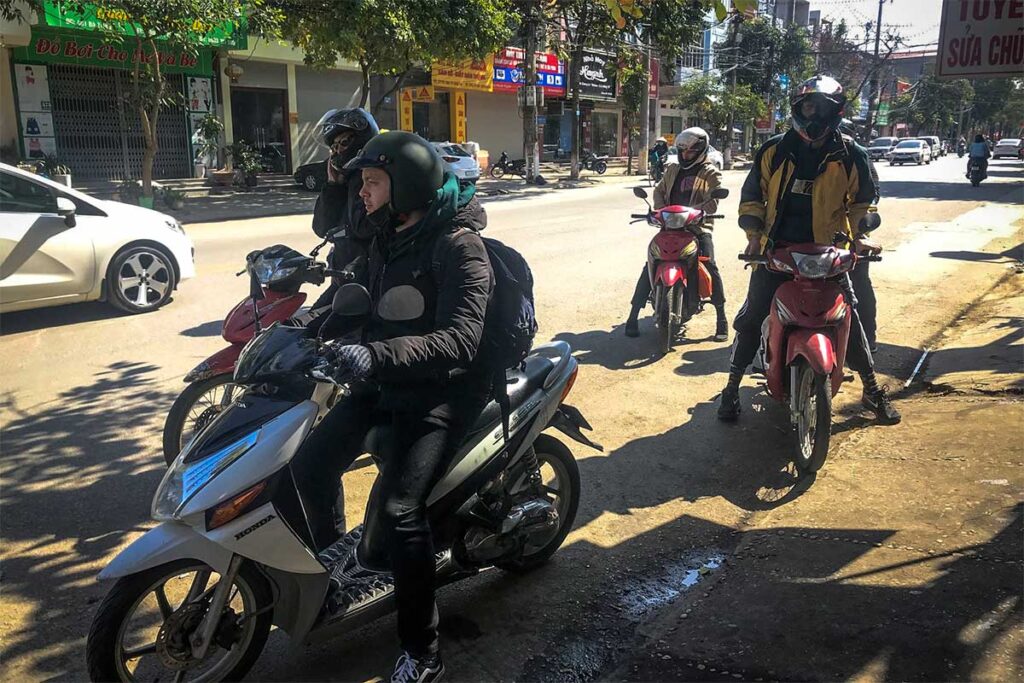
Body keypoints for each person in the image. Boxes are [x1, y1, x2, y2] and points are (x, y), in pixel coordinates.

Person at [294, 131, 493, 683]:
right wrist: (305, 328)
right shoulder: (389, 236)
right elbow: (354, 295)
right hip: (380, 380)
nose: (363, 192)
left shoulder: (458, 247)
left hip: (439, 395)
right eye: (362, 182)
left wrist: (374, 354)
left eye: (373, 182)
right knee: (306, 469)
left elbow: (460, 340)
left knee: (402, 512)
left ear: (403, 186)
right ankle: (343, 558)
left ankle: (423, 652)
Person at [718, 74, 900, 424]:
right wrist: (754, 235)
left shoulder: (851, 154)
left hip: (829, 256)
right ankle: (731, 388)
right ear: (798, 109)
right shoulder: (774, 150)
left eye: (821, 108)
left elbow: (863, 202)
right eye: (807, 106)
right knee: (753, 317)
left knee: (851, 317)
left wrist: (861, 234)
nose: (813, 114)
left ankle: (872, 388)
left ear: (835, 111)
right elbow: (753, 197)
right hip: (777, 253)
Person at [626, 127, 728, 341]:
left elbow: (714, 200)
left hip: (697, 226)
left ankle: (721, 318)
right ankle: (633, 315)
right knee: (651, 261)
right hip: (670, 226)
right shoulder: (672, 169)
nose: (685, 155)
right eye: (682, 151)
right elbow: (659, 191)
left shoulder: (711, 172)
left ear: (700, 150)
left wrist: (700, 212)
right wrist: (661, 211)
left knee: (709, 264)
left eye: (690, 152)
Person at [308, 108, 381, 316]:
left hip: (366, 285)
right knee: (297, 330)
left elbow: (363, 228)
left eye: (344, 142)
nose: (337, 150)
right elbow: (322, 228)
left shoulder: (371, 180)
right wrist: (333, 187)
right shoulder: (344, 182)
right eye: (334, 146)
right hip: (344, 278)